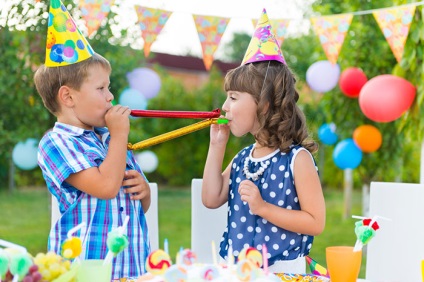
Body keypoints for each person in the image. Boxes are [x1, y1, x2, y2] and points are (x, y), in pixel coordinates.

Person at [202, 9, 325, 274]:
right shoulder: (244, 158)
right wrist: (217, 146)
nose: (224, 106)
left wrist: (263, 208)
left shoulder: (297, 159)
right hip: (235, 270)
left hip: (281, 272)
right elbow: (211, 198)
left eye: (233, 97)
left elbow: (315, 222)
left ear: (264, 105)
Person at [34, 1, 150, 280]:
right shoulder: (56, 144)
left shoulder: (108, 137)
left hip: (131, 268)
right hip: (86, 270)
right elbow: (107, 187)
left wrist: (144, 192)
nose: (110, 96)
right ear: (68, 97)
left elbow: (134, 203)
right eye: (101, 88)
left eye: (108, 87)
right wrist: (120, 134)